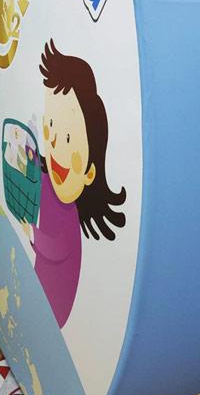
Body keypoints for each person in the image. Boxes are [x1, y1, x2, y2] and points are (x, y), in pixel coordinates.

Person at [21, 40, 127, 327]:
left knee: (44, 314)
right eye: (50, 128)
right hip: (43, 279)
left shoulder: (70, 213)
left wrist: (33, 234)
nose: (55, 143)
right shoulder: (49, 183)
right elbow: (39, 175)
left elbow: (59, 248)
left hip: (57, 301)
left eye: (67, 138)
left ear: (90, 172)